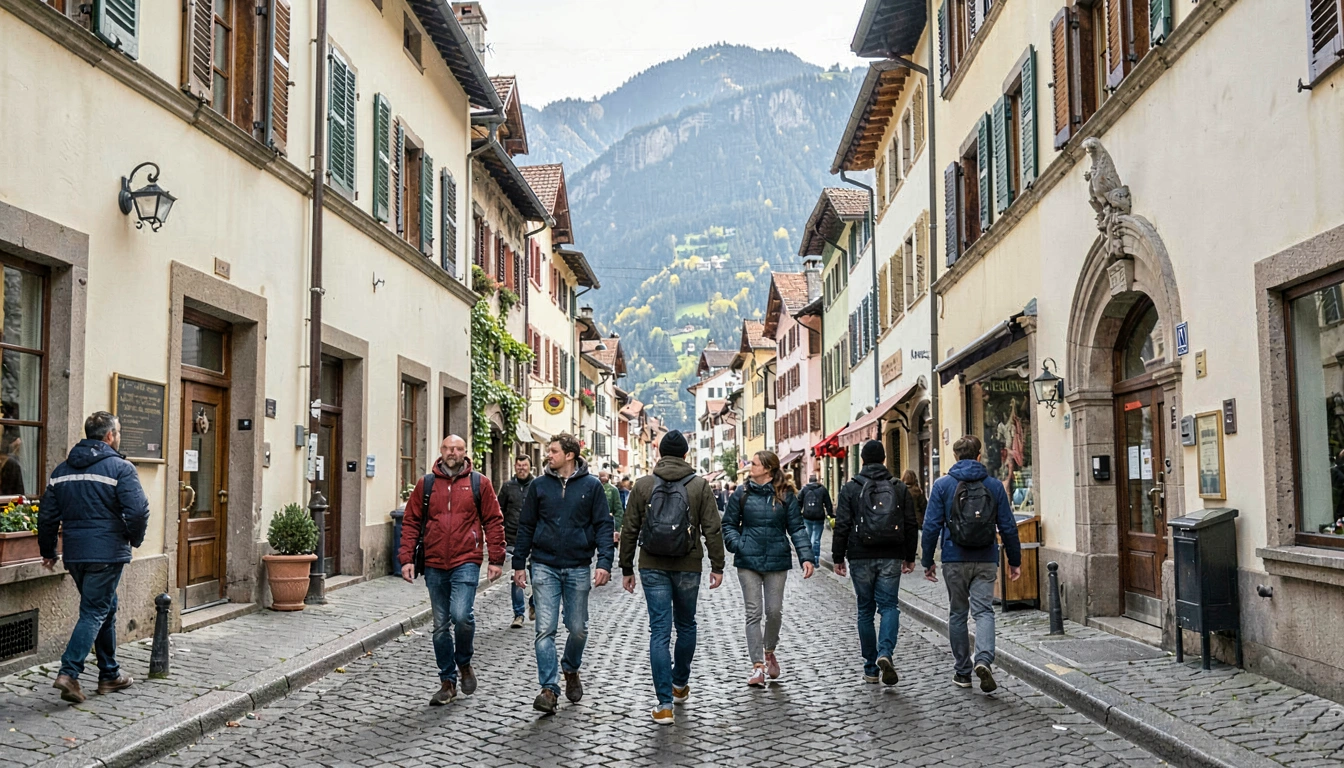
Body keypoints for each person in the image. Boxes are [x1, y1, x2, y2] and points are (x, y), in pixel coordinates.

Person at [38, 412, 149, 704]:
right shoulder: (121, 468)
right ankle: (69, 672)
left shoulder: (61, 471)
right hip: (106, 554)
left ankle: (109, 674)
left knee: (105, 607)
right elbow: (138, 511)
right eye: (118, 432)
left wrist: (49, 551)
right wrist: (133, 539)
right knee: (95, 610)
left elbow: (47, 516)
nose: (119, 436)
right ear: (110, 436)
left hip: (75, 555)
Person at [620, 429, 725, 725]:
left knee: (659, 631)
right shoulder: (699, 485)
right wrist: (718, 566)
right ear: (685, 455)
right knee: (686, 624)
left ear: (659, 453)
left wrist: (626, 568)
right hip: (688, 564)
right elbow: (712, 528)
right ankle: (680, 683)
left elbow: (629, 529)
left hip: (651, 563)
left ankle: (664, 705)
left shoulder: (643, 485)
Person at [512, 434, 615, 715]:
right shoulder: (539, 485)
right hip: (543, 565)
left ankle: (570, 667)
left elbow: (603, 525)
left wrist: (605, 562)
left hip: (578, 565)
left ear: (570, 455)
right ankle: (549, 689)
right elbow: (526, 525)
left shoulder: (592, 486)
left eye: (554, 451)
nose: (549, 455)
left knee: (578, 628)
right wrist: (519, 564)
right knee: (545, 629)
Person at [399, 435, 505, 706]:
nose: (452, 452)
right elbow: (411, 521)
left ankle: (464, 662)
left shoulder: (479, 483)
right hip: (434, 562)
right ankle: (447, 681)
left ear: (464, 452)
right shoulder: (426, 484)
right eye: (447, 448)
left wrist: (496, 558)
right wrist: (406, 558)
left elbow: (493, 521)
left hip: (466, 559)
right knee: (440, 626)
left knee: (462, 616)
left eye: (457, 449)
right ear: (441, 451)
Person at [921, 434, 1022, 693]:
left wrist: (927, 560)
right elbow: (1008, 526)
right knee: (984, 611)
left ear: (955, 457)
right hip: (986, 557)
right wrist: (1014, 560)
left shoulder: (943, 485)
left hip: (954, 558)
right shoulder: (994, 486)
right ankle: (984, 660)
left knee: (957, 613)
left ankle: (962, 672)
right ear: (979, 456)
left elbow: (930, 526)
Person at [722, 450, 814, 687]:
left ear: (767, 468)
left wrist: (806, 556)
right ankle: (758, 667)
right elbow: (728, 524)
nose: (749, 466)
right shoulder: (741, 493)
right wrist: (738, 544)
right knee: (753, 613)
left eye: (754, 464)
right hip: (748, 561)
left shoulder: (785, 494)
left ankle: (770, 650)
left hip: (776, 560)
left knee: (774, 611)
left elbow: (797, 528)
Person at [832, 440, 918, 686]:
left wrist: (838, 557)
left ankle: (870, 667)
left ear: (862, 460)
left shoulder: (851, 487)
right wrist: (910, 556)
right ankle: (885, 652)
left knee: (865, 610)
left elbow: (842, 524)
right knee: (889, 606)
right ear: (884, 460)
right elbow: (910, 524)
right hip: (891, 553)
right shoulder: (898, 487)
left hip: (860, 554)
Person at [498, 454, 535, 628]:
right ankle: (518, 614)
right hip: (512, 539)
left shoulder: (537, 485)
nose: (521, 469)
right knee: (517, 578)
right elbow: (499, 511)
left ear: (530, 467)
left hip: (534, 539)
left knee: (537, 577)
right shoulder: (507, 487)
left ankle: (534, 603)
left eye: (524, 465)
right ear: (515, 467)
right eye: (519, 466)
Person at [797, 474, 833, 567]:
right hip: (819, 517)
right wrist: (830, 514)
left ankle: (809, 559)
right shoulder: (822, 489)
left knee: (808, 538)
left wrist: (798, 514)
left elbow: (799, 502)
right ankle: (815, 560)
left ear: (809, 480)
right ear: (816, 480)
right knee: (816, 540)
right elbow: (828, 503)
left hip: (807, 516)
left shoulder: (804, 489)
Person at [600, 469, 625, 543]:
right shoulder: (593, 488)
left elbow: (619, 511)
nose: (603, 478)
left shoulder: (613, 490)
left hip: (607, 528)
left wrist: (616, 528)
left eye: (604, 476)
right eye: (601, 476)